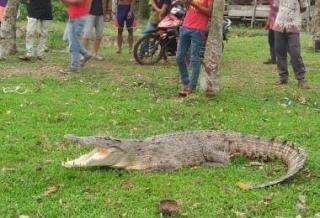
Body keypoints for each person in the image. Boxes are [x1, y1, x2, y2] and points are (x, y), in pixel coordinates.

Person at [176, 0, 213, 96]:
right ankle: (185, 82)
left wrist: (193, 3)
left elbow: (209, 12)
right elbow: (188, 8)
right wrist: (186, 2)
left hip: (198, 30)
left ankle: (191, 86)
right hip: (185, 27)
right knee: (179, 57)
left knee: (194, 58)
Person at [272, 0, 309, 88]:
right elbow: (275, 5)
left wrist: (292, 14)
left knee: (295, 53)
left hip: (293, 25)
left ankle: (301, 79)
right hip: (279, 24)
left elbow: (303, 7)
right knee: (280, 51)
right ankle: (283, 77)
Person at [62, 0, 92, 73]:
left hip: (78, 17)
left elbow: (77, 2)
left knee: (74, 42)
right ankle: (86, 54)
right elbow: (67, 4)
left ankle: (74, 66)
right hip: (73, 17)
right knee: (67, 39)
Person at [263, 0, 278, 65]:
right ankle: (273, 59)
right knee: (271, 41)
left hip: (279, 23)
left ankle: (291, 59)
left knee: (280, 41)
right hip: (272, 22)